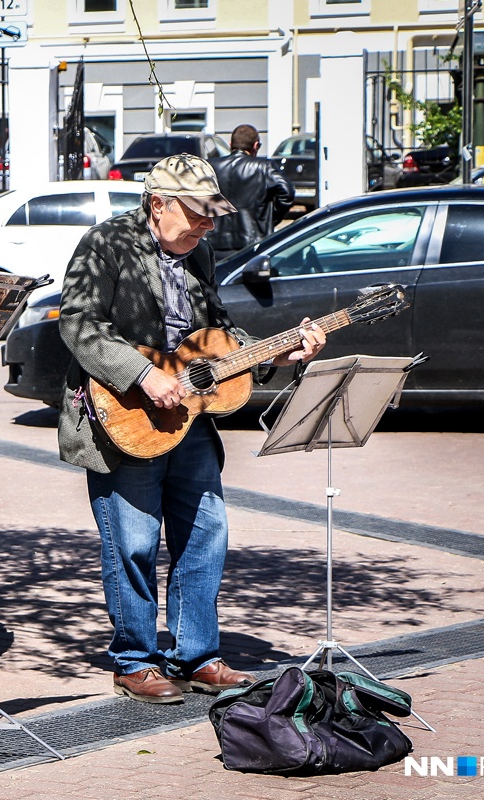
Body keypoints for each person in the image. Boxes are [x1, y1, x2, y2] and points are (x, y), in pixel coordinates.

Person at [58, 154, 326, 704]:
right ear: (158, 205)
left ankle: (196, 654)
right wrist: (142, 373)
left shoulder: (198, 252)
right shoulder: (104, 244)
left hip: (190, 419)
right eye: (198, 214)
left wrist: (280, 351)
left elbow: (216, 336)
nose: (209, 225)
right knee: (132, 543)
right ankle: (134, 660)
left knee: (206, 533)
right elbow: (79, 325)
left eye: (212, 215)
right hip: (125, 416)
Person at [207, 124, 295, 260]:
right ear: (256, 146)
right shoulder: (264, 167)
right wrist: (268, 219)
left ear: (231, 144)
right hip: (252, 244)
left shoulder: (210, 167)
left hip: (214, 243)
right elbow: (287, 193)